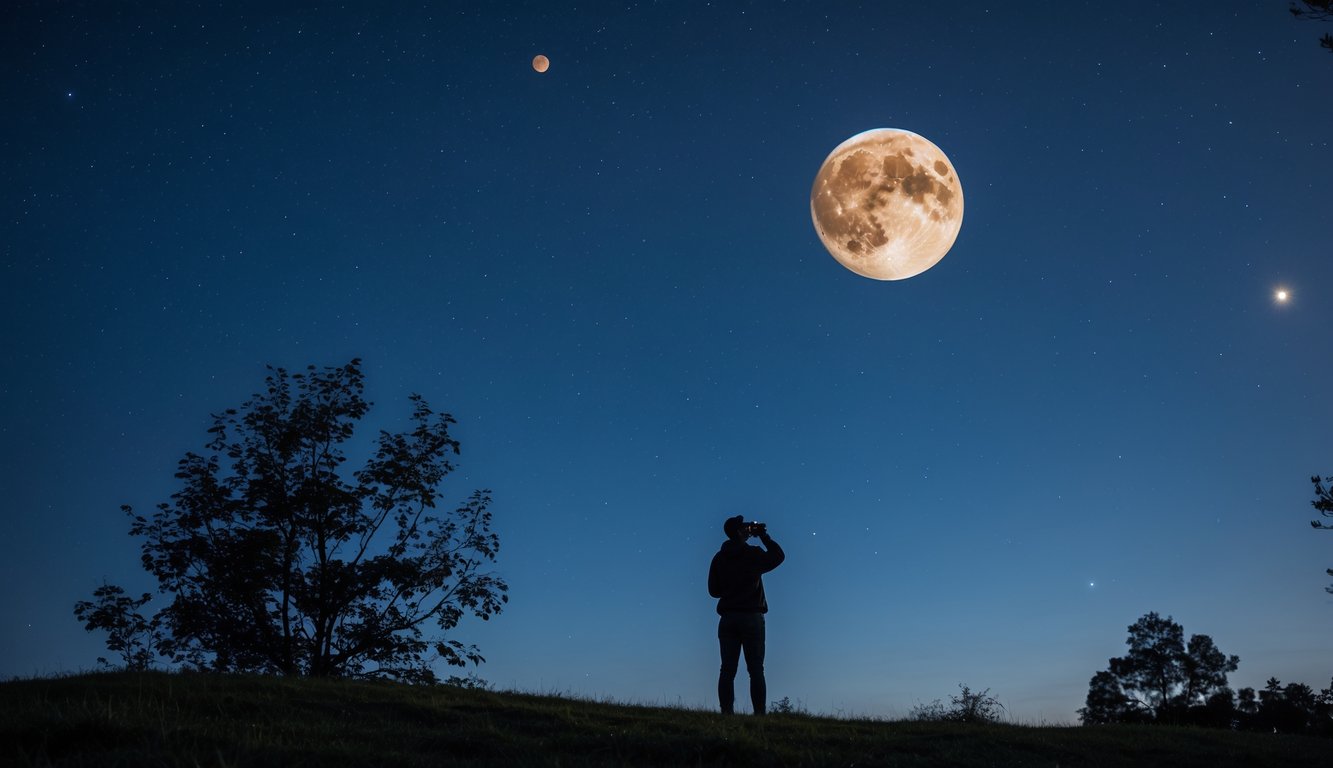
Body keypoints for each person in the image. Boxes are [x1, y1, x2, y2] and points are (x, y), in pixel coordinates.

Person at [707, 515, 785, 715]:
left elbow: (713, 591)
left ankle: (727, 713)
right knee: (756, 669)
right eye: (745, 527)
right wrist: (764, 537)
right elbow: (778, 556)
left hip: (728, 618)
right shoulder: (752, 553)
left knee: (727, 670)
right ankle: (759, 715)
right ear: (740, 532)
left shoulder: (719, 557)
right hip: (751, 617)